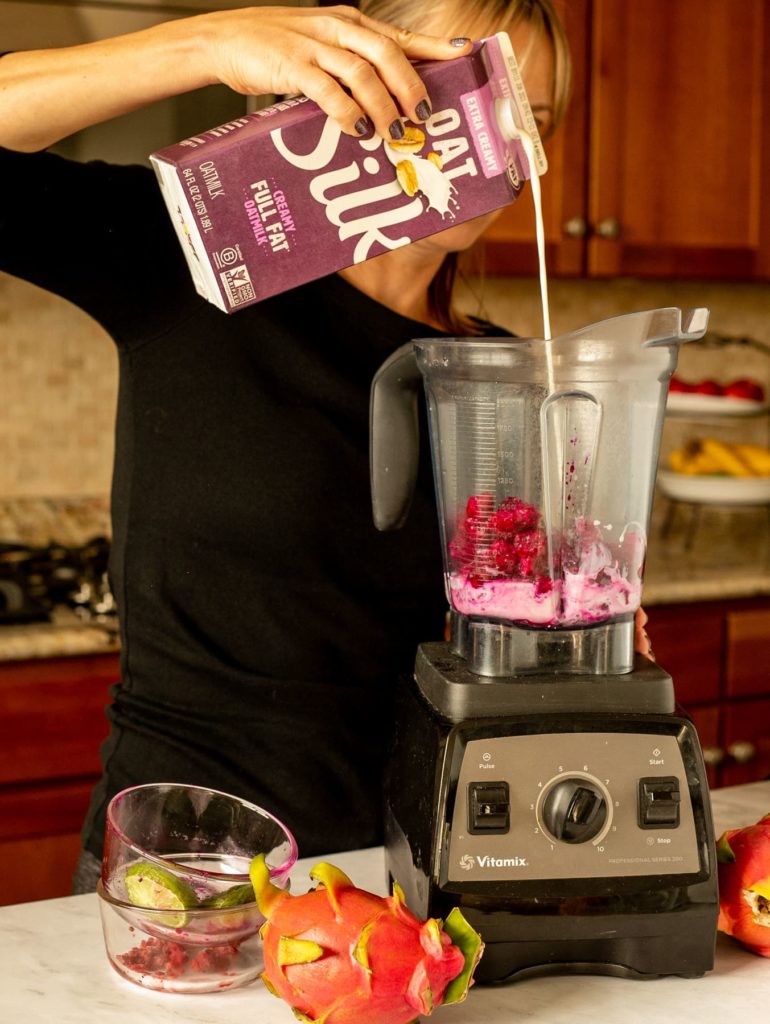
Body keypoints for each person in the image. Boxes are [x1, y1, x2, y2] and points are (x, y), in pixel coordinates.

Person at [1, 1, 642, 895]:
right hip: (191, 877)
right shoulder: (199, 255)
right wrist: (204, 45)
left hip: (418, 883)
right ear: (352, 74)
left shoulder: (501, 384)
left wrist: (584, 644)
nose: (496, 143)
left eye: (527, 123)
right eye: (463, 94)